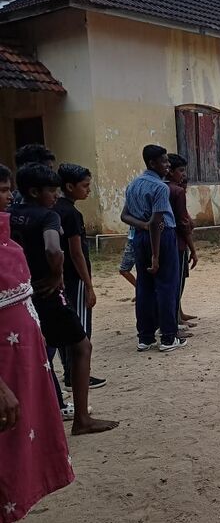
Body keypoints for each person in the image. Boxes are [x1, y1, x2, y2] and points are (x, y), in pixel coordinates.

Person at [9, 164, 117, 436]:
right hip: (47, 295)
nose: (56, 195)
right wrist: (56, 274)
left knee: (35, 353)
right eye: (51, 190)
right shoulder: (49, 216)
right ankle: (82, 418)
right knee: (81, 346)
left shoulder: (9, 215)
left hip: (19, 296)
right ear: (35, 192)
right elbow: (53, 249)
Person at [0, 200, 75, 523]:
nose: (6, 197)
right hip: (4, 381)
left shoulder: (9, 244)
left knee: (10, 458)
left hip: (20, 374)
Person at [122, 145, 186, 352]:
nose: (168, 165)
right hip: (161, 237)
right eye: (164, 161)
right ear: (152, 163)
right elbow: (157, 222)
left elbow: (125, 215)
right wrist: (156, 256)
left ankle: (145, 337)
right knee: (167, 286)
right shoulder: (160, 188)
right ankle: (168, 337)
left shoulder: (133, 185)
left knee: (144, 286)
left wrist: (142, 225)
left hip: (139, 238)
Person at [54, 164, 106, 392]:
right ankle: (76, 375)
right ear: (69, 186)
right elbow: (76, 253)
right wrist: (88, 285)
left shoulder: (53, 208)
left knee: (65, 327)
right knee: (80, 329)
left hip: (60, 279)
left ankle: (69, 373)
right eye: (85, 186)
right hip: (74, 279)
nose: (88, 190)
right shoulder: (72, 214)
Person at [166, 153, 198, 328]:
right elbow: (184, 224)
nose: (184, 174)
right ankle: (174, 320)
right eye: (181, 170)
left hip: (165, 243)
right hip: (177, 243)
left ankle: (177, 314)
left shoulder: (160, 188)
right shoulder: (175, 191)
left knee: (170, 283)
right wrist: (193, 249)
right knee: (176, 283)